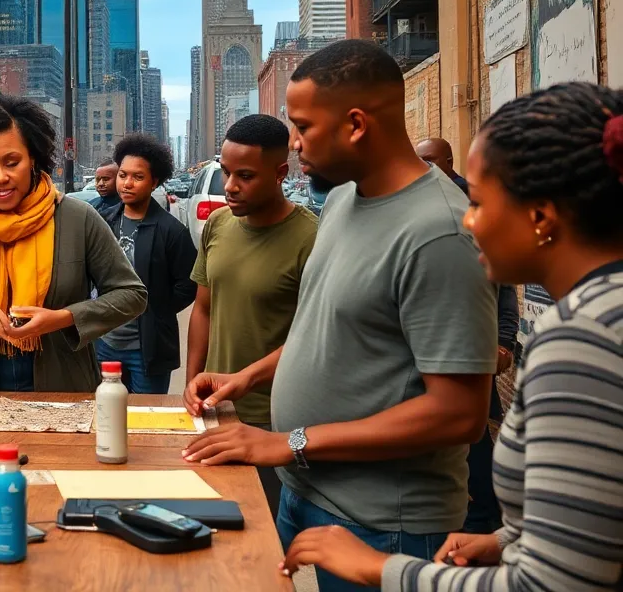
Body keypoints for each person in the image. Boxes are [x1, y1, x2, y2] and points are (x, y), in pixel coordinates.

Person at [181, 40, 497, 592]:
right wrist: (248, 377)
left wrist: (291, 441)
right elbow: (326, 330)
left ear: (355, 124)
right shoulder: (344, 200)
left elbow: (458, 414)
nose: (295, 145)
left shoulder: (438, 232)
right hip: (309, 492)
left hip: (385, 526)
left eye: (303, 127)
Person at [281, 81, 623, 591]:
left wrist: (380, 567)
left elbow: (549, 586)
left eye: (480, 202)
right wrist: (512, 542)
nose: (466, 220)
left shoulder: (583, 340)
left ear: (540, 219)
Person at [0, 94, 147, 392]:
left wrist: (63, 318)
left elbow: (131, 294)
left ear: (33, 158)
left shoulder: (77, 219)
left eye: (12, 162)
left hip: (65, 384)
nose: (0, 177)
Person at [183, 114, 318, 515]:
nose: (229, 187)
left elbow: (313, 339)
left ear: (279, 173)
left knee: (263, 535)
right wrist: (190, 383)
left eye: (244, 176)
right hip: (213, 410)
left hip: (273, 419)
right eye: (225, 173)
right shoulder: (219, 224)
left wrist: (248, 381)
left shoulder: (311, 239)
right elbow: (203, 308)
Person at [416, 135, 521, 534]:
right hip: (450, 350)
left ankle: (481, 520)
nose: (473, 222)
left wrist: (503, 343)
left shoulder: (582, 341)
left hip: (473, 352)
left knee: (477, 440)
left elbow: (502, 292)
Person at [96, 133, 196, 394]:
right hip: (104, 344)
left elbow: (187, 286)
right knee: (106, 415)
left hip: (147, 350)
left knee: (147, 421)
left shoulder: (171, 231)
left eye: (137, 177)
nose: (127, 183)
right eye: (123, 175)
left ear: (155, 182)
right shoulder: (103, 222)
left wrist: (153, 311)